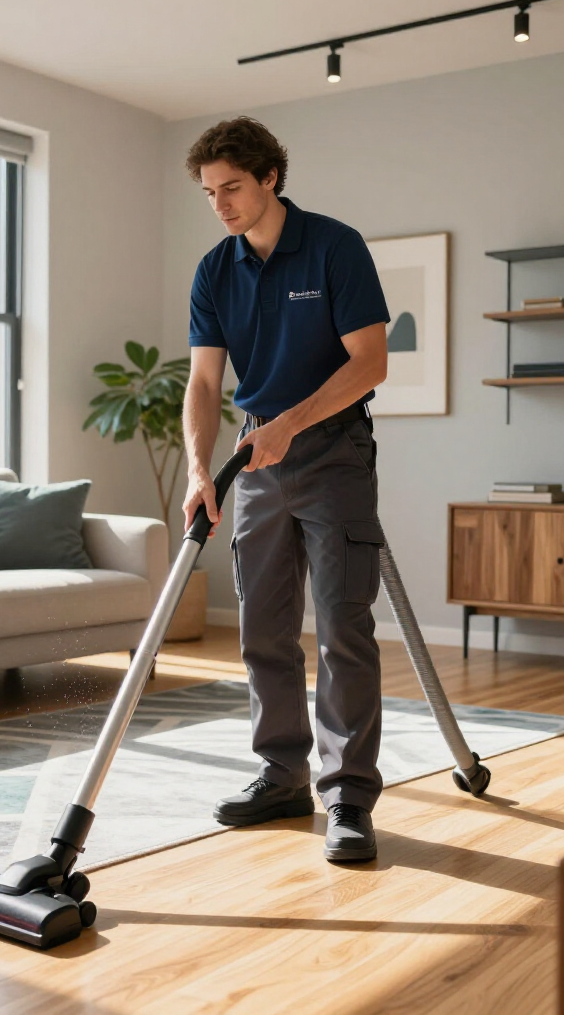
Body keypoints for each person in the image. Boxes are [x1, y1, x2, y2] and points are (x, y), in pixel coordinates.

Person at [181, 117, 390, 862]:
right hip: (254, 461)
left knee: (341, 627)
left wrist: (292, 424)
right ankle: (281, 775)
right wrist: (200, 468)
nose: (221, 204)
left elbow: (370, 363)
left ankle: (349, 799)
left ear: (270, 177)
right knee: (263, 628)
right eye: (209, 193)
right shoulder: (215, 269)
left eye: (232, 187)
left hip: (332, 452)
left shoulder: (335, 246)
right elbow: (206, 381)